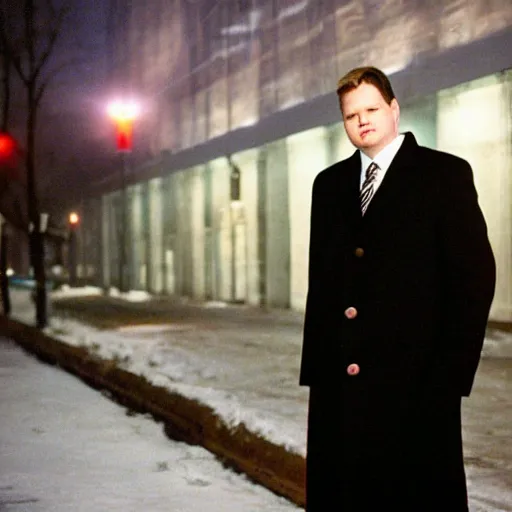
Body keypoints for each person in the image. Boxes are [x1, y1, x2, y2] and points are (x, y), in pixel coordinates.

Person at [299, 66, 496, 511]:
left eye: (371, 109)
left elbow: (474, 278)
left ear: (393, 109)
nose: (362, 120)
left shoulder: (443, 175)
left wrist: (450, 377)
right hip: (340, 391)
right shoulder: (328, 186)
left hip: (417, 386)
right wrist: (318, 370)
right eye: (351, 115)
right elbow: (323, 284)